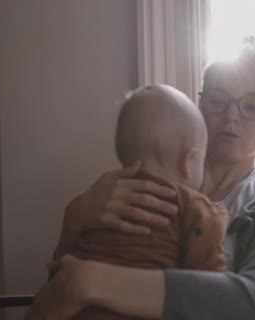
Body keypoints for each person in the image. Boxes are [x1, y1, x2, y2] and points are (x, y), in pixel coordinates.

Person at [26, 40, 255, 320]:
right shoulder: (130, 188)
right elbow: (60, 291)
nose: (232, 115)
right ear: (200, 105)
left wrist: (95, 282)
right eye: (218, 100)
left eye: (253, 106)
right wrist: (74, 220)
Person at [60, 84, 228, 320]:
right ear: (188, 162)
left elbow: (61, 270)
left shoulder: (101, 201)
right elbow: (213, 288)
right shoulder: (194, 207)